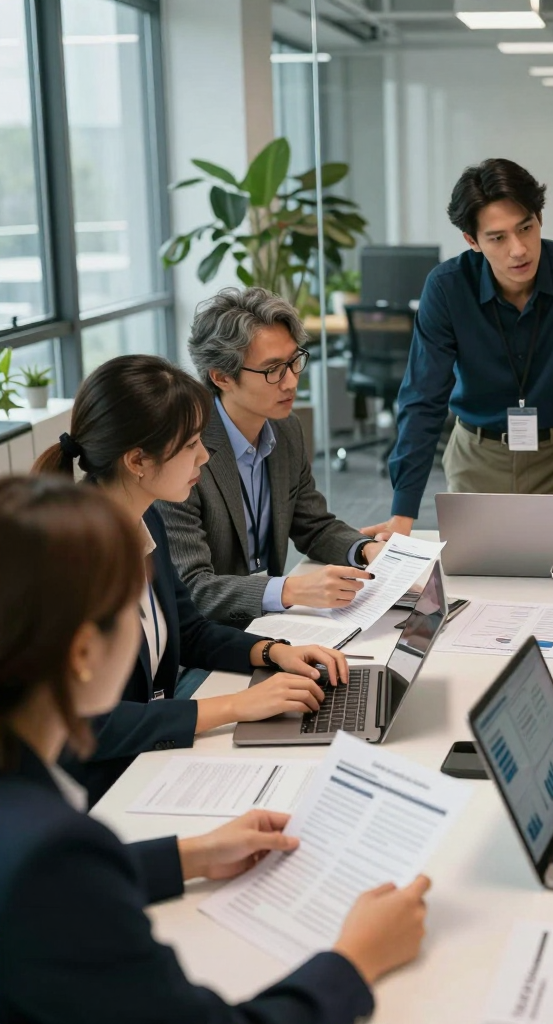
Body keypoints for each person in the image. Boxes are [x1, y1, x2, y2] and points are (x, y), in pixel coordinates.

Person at [0, 474, 430, 1023]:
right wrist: (355, 960)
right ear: (84, 652)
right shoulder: (50, 850)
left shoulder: (37, 832)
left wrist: (189, 856)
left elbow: (49, 899)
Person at [35, 355, 351, 804]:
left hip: (150, 757)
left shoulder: (146, 520)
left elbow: (189, 629)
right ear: (137, 461)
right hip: (97, 789)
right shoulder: (70, 561)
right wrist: (231, 708)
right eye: (190, 445)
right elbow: (84, 721)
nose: (204, 455)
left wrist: (272, 652)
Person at [361, 158, 553, 541]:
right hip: (475, 456)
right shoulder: (446, 288)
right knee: (474, 580)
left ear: (539, 218)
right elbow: (423, 398)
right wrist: (403, 511)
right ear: (472, 241)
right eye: (497, 238)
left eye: (526, 228)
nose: (519, 250)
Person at [158, 287, 383, 625]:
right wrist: (290, 591)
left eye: (294, 361)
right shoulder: (184, 454)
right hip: (206, 638)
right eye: (273, 370)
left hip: (268, 620)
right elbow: (194, 588)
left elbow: (313, 525)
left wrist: (365, 550)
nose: (291, 381)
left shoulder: (285, 429)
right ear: (221, 377)